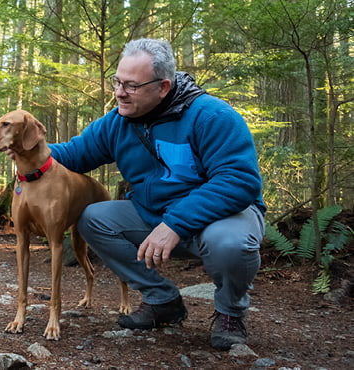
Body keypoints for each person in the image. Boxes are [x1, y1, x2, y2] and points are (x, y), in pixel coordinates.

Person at [47, 38, 266, 350]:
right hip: (154, 214)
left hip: (222, 218)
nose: (119, 92)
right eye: (117, 82)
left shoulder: (212, 116)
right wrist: (23, 145)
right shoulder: (118, 122)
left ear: (163, 87)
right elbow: (73, 154)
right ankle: (162, 300)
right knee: (93, 218)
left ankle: (229, 312)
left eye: (131, 86)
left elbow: (239, 181)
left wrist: (175, 224)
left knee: (231, 243)